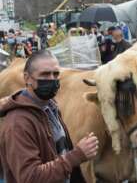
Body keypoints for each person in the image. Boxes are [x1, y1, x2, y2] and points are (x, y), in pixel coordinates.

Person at [0, 50, 99, 183]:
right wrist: (77, 155)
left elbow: (59, 153)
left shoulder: (51, 108)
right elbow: (30, 177)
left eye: (56, 74)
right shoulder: (18, 124)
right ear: (27, 78)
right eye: (45, 74)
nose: (52, 79)